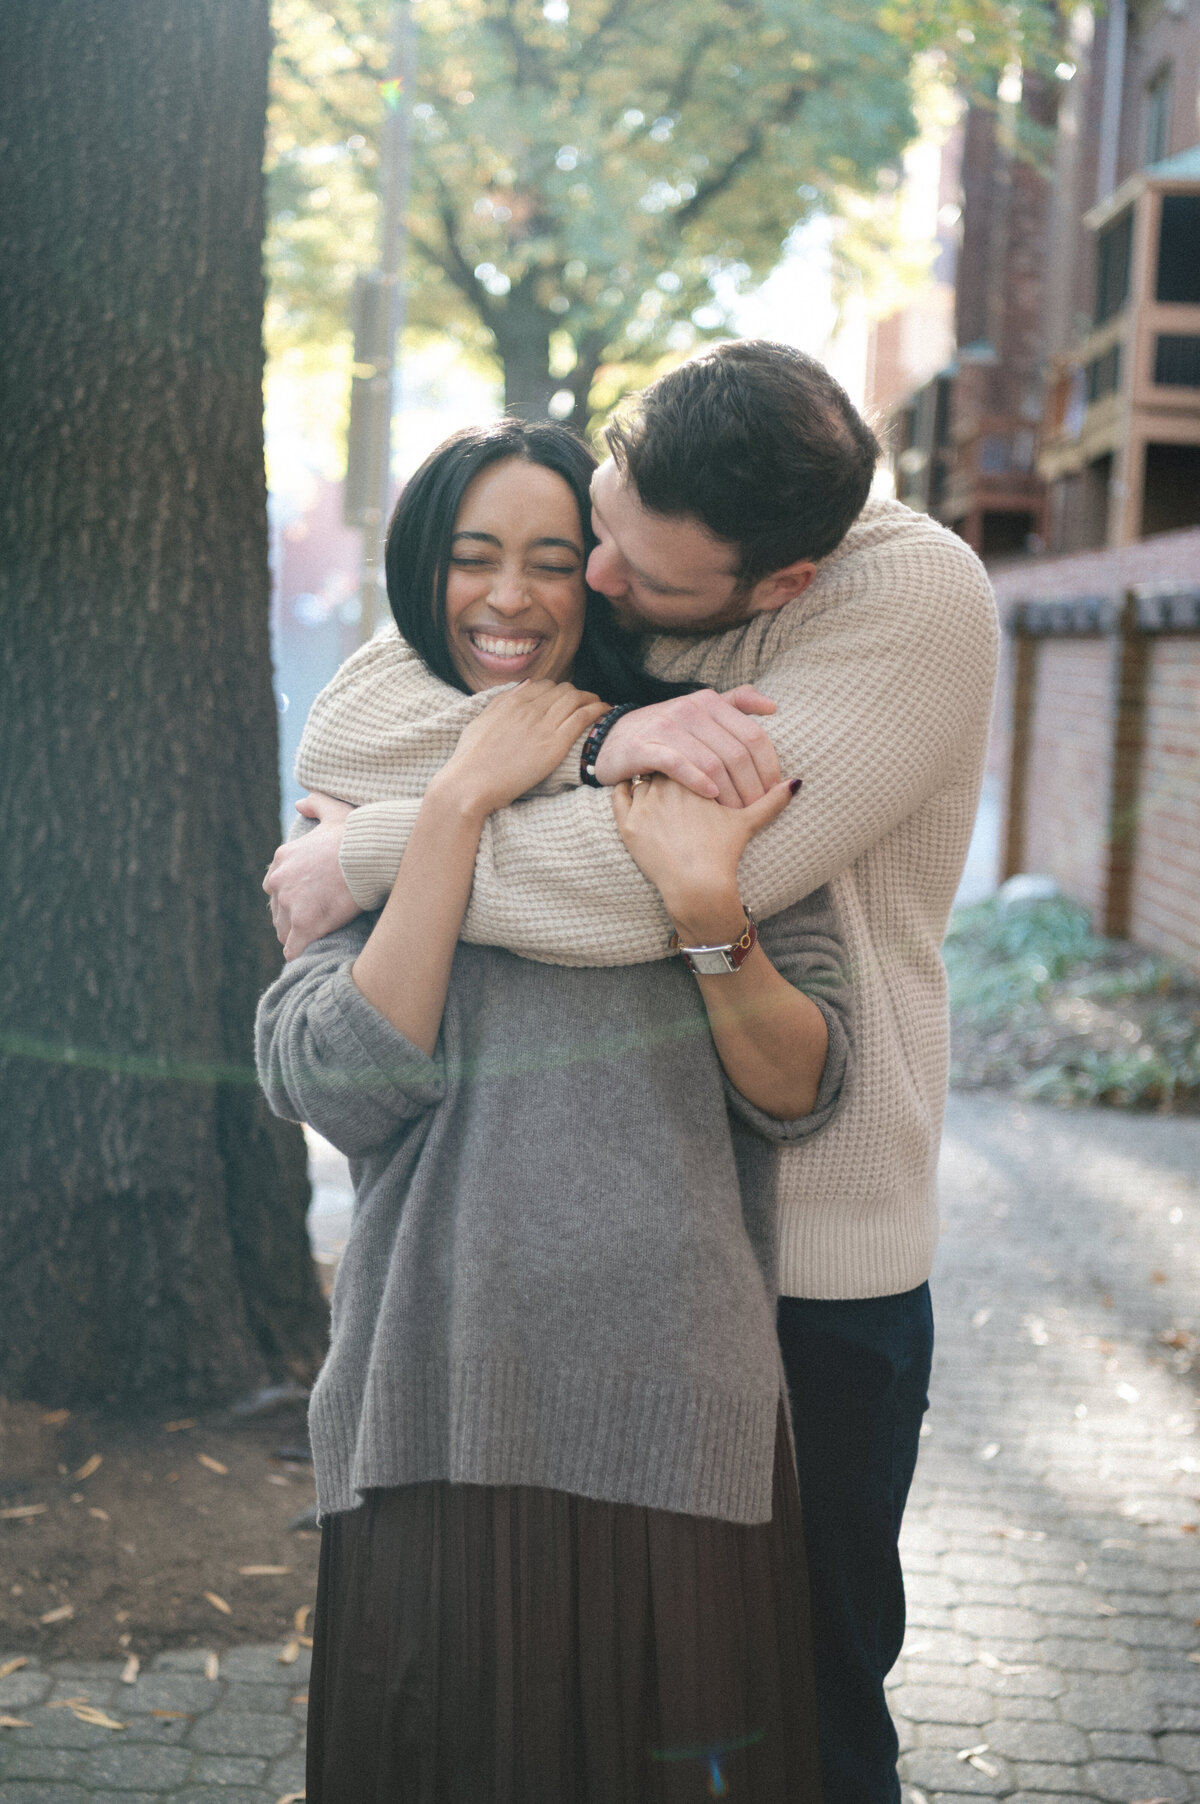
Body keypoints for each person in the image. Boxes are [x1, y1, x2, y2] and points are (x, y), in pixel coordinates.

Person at [265, 340, 999, 1804]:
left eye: (626, 572)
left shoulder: (900, 599)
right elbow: (387, 706)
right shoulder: (620, 575)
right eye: (595, 521)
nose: (582, 585)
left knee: (806, 1708)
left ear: (774, 586)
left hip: (812, 1254)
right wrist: (569, 744)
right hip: (516, 1300)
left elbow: (637, 889)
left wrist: (366, 847)